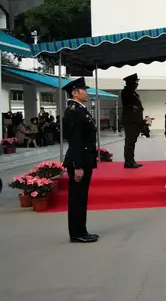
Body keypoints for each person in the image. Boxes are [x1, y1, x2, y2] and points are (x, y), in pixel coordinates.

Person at [62, 77, 99, 243]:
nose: (87, 92)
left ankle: (81, 231)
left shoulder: (80, 109)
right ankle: (77, 233)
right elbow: (75, 140)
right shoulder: (74, 111)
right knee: (77, 198)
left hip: (84, 159)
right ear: (75, 93)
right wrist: (77, 166)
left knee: (81, 197)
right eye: (84, 90)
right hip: (79, 160)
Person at [121, 73, 143, 168]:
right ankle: (128, 161)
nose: (137, 84)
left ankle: (131, 159)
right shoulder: (126, 92)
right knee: (130, 142)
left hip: (135, 121)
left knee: (132, 142)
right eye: (135, 82)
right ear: (131, 83)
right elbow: (130, 106)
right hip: (130, 121)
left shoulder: (133, 93)